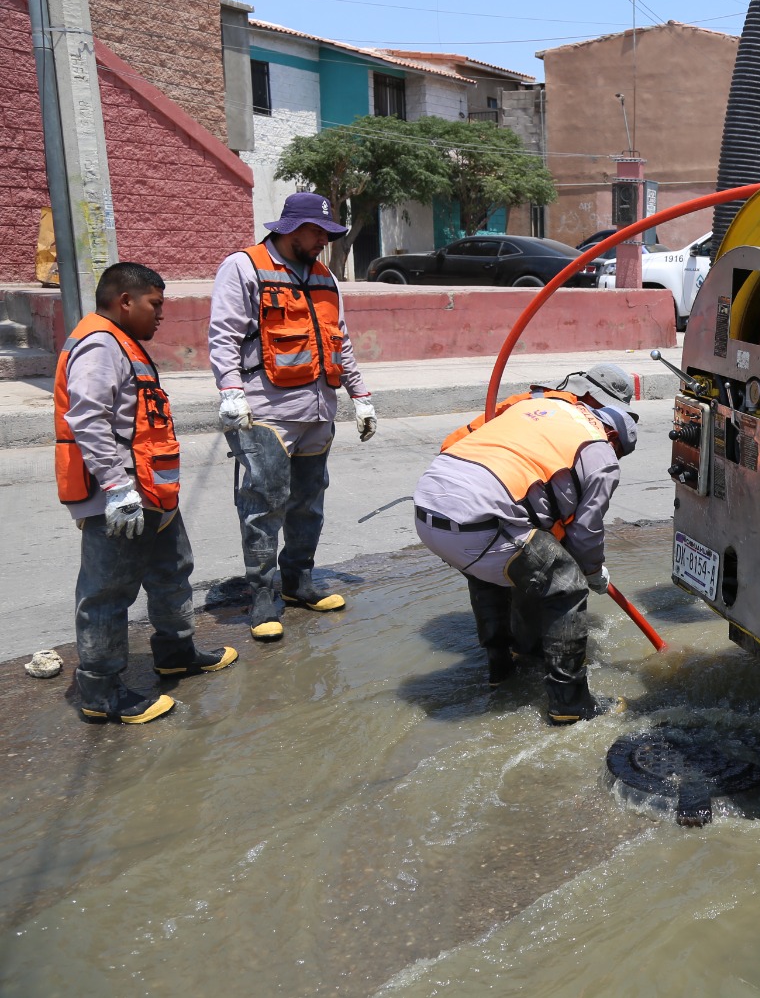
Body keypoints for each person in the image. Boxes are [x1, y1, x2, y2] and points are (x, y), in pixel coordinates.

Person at [55, 263, 237, 724]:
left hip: (153, 492)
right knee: (107, 593)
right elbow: (88, 419)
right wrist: (117, 488)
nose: (161, 315)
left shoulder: (122, 342)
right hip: (120, 497)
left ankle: (176, 652)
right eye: (155, 304)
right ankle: (101, 691)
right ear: (125, 301)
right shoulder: (99, 343)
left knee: (172, 571)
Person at [413, 364, 638, 724]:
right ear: (615, 436)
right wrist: (594, 572)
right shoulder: (600, 452)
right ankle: (570, 705)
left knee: (493, 571)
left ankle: (501, 668)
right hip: (479, 525)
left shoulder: (536, 406)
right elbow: (586, 532)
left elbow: (463, 446)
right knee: (567, 584)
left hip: (429, 507)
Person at [209, 192, 377, 642]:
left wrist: (359, 394)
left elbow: (339, 340)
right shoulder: (244, 267)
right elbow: (223, 335)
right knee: (264, 505)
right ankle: (264, 598)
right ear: (289, 229)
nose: (324, 240)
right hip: (266, 412)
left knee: (308, 502)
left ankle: (298, 581)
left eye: (327, 233)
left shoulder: (324, 277)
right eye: (317, 232)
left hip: (318, 410)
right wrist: (230, 391)